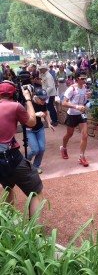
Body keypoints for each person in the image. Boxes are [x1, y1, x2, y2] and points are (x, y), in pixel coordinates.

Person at [0, 81, 43, 218]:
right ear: (15, 94)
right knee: (36, 191)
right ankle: (34, 234)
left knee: (8, 188)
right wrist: (28, 99)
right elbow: (32, 122)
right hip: (10, 156)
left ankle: (8, 228)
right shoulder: (15, 106)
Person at [60, 70, 91, 167]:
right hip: (72, 114)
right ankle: (63, 148)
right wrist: (76, 107)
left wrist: (88, 97)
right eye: (82, 78)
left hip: (81, 114)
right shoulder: (71, 88)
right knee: (69, 134)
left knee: (85, 135)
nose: (84, 80)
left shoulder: (85, 87)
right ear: (77, 79)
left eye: (85, 78)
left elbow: (84, 100)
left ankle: (82, 156)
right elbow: (63, 103)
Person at [27, 88, 55, 174]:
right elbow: (24, 117)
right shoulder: (29, 103)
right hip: (29, 129)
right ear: (36, 97)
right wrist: (35, 114)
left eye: (45, 98)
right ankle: (24, 162)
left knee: (42, 148)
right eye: (42, 99)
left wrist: (49, 123)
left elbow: (45, 113)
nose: (43, 100)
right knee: (35, 150)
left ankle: (36, 166)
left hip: (39, 128)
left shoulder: (43, 104)